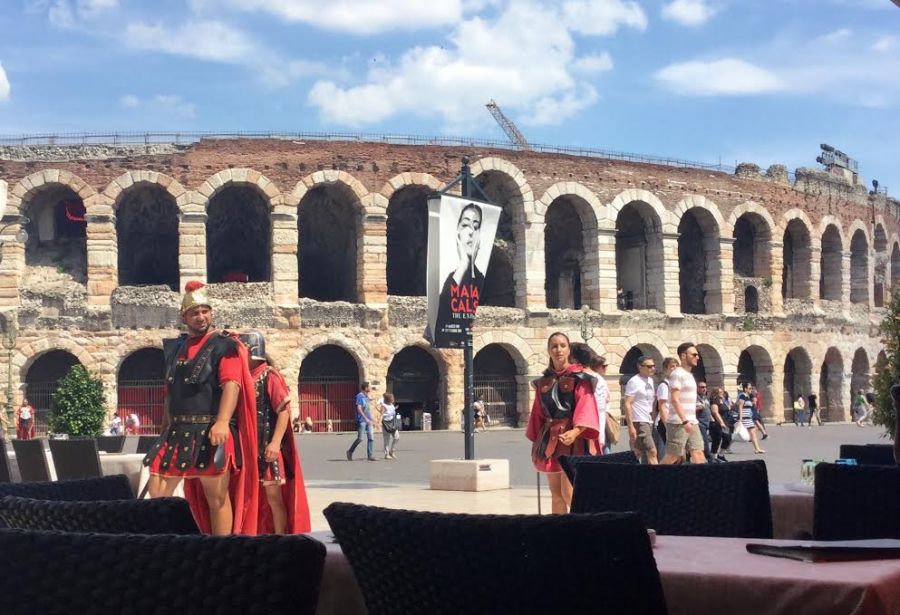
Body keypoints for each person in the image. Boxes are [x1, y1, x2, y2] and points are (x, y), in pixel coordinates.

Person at [143, 281, 259, 536]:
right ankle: (165, 544)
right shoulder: (175, 349)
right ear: (184, 317)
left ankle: (220, 549)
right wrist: (163, 430)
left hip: (209, 430)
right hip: (177, 430)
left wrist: (222, 422)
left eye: (205, 311)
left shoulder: (224, 345)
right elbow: (170, 394)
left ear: (211, 313)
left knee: (216, 498)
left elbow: (232, 385)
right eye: (194, 312)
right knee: (158, 488)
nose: (201, 316)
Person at [240, 331, 310, 534]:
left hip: (267, 448)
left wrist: (275, 443)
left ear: (252, 351)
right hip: (249, 448)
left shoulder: (269, 375)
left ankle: (281, 540)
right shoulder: (244, 378)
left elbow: (283, 412)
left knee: (274, 498)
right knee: (251, 497)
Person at [526, 332, 600, 514]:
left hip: (574, 440)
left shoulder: (580, 378)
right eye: (554, 346)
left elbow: (586, 406)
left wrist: (576, 431)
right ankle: (559, 528)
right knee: (556, 493)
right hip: (551, 439)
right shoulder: (544, 382)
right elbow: (538, 412)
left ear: (568, 350)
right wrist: (537, 440)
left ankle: (584, 526)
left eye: (562, 345)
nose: (558, 350)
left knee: (569, 492)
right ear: (548, 350)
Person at [431, 203, 485, 347]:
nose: (471, 232)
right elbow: (442, 311)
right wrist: (463, 265)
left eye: (476, 226)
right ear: (457, 233)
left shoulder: (483, 278)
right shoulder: (451, 275)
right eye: (465, 225)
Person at [661, 342, 705, 465]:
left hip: (692, 421)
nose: (697, 357)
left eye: (697, 355)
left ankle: (704, 477)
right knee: (673, 456)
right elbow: (675, 399)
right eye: (694, 355)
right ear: (683, 356)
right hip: (678, 422)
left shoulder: (689, 375)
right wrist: (685, 421)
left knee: (698, 453)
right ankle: (654, 475)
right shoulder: (677, 374)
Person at [624, 355, 658, 464]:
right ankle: (658, 474)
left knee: (637, 452)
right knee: (652, 451)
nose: (652, 368)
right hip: (639, 420)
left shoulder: (650, 380)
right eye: (649, 366)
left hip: (648, 420)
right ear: (640, 367)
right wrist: (630, 426)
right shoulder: (634, 381)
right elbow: (628, 403)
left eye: (653, 366)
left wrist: (653, 416)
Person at [654, 358, 679, 454]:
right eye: (672, 366)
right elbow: (662, 407)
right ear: (665, 369)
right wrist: (667, 427)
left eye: (677, 366)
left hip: (676, 422)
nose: (675, 368)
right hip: (666, 423)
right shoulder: (664, 386)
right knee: (667, 454)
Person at [347, 382, 376, 461]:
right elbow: (359, 409)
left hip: (368, 420)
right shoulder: (359, 396)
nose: (370, 388)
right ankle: (350, 451)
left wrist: (372, 419)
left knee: (371, 438)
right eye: (369, 387)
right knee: (360, 438)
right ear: (366, 388)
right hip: (362, 420)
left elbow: (368, 409)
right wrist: (365, 418)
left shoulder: (366, 397)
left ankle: (370, 456)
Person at [737, 382, 765, 454]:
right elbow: (740, 407)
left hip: (748, 417)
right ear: (745, 389)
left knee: (752, 432)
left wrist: (753, 403)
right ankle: (757, 449)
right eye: (749, 388)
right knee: (746, 432)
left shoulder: (748, 396)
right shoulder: (742, 396)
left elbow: (750, 405)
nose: (751, 389)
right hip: (744, 418)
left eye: (751, 388)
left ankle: (757, 449)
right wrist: (741, 418)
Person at [708, 387, 731, 462]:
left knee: (728, 438)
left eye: (722, 392)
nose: (722, 393)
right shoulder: (714, 401)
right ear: (716, 393)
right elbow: (715, 412)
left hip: (726, 422)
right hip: (716, 423)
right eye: (720, 392)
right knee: (717, 440)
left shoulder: (723, 400)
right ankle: (713, 456)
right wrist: (721, 422)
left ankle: (721, 455)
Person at [696, 381, 713, 462]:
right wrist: (699, 408)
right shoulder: (695, 397)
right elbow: (690, 409)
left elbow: (708, 409)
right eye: (702, 387)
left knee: (700, 442)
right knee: (705, 441)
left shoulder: (705, 398)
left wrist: (711, 418)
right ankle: (710, 459)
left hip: (707, 423)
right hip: (699, 423)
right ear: (697, 388)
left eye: (705, 387)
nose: (704, 389)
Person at [379, 392, 399, 459]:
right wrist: (379, 423)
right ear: (389, 399)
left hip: (392, 423)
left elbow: (392, 412)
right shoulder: (383, 406)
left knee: (397, 437)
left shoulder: (392, 405)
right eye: (392, 398)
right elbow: (381, 415)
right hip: (386, 424)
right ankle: (386, 454)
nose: (393, 399)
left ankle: (392, 451)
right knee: (387, 439)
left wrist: (395, 408)